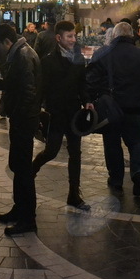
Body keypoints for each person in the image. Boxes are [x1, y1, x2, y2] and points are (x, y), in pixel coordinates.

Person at [85, 22, 140, 197]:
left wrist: (96, 96)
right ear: (131, 35)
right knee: (137, 142)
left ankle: (116, 180)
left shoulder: (103, 54)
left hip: (111, 109)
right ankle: (138, 171)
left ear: (114, 35)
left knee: (112, 144)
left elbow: (90, 78)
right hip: (135, 107)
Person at [0, 23, 41, 236]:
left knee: (23, 169)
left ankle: (28, 219)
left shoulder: (23, 56)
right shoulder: (19, 54)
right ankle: (19, 209)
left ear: (7, 42)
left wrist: (19, 115)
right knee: (18, 166)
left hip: (24, 120)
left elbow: (28, 91)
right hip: (22, 118)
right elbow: (16, 84)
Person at [33, 20, 90, 211]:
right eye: (70, 36)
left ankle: (74, 194)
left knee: (76, 154)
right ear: (59, 38)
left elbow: (83, 84)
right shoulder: (48, 61)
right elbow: (41, 88)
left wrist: (87, 100)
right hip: (56, 113)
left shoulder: (78, 58)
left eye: (74, 36)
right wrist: (37, 111)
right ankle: (32, 170)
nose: (74, 39)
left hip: (74, 114)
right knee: (52, 151)